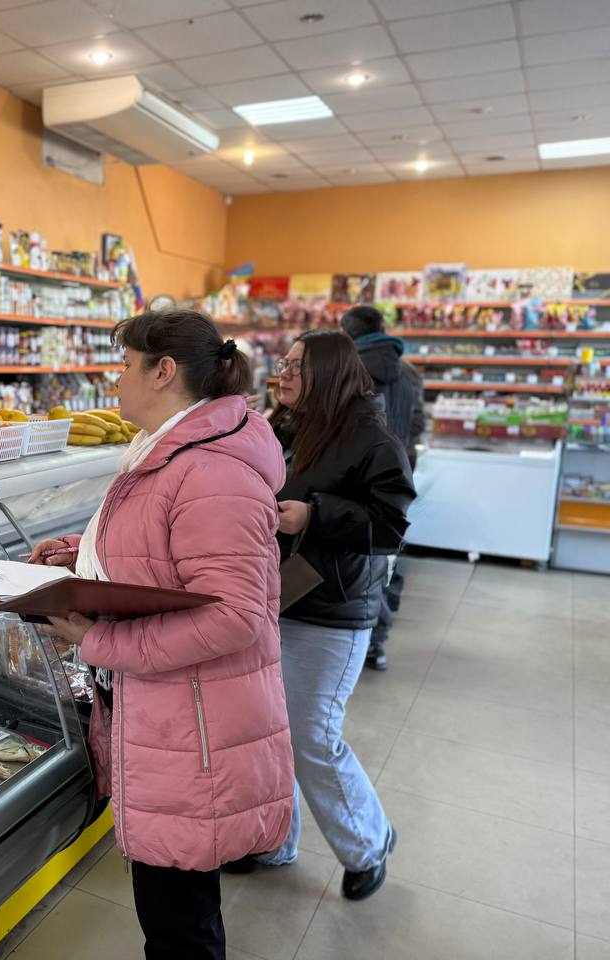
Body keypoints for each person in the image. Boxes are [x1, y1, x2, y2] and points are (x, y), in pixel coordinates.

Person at [34, 308, 294, 960]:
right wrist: (79, 555)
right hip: (170, 718)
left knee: (180, 924)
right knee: (171, 907)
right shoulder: (167, 449)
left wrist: (97, 642)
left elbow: (236, 615)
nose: (115, 379)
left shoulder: (211, 469)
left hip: (193, 727)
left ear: (164, 372)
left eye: (124, 365)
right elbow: (162, 546)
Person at [253, 329, 415, 901]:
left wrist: (314, 515)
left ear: (329, 373)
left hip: (332, 609)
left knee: (311, 735)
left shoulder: (371, 438)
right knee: (271, 731)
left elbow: (390, 526)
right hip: (278, 597)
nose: (284, 373)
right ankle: (276, 841)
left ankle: (369, 843)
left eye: (297, 366)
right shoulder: (286, 425)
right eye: (284, 362)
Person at [340, 306, 425, 670]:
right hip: (398, 474)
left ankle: (360, 639)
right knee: (387, 555)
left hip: (355, 474)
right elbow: (418, 423)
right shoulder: (408, 373)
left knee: (356, 560)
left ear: (348, 332)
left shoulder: (349, 370)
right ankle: (377, 642)